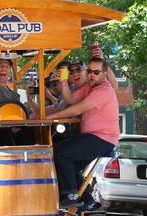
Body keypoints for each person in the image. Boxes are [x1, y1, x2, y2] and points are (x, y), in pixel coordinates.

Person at [46, 58, 120, 211]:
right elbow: (70, 99)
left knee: (63, 155)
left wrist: (50, 117)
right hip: (91, 136)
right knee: (56, 153)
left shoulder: (103, 90)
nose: (91, 74)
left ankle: (71, 196)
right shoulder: (90, 86)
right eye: (90, 71)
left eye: (96, 72)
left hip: (102, 138)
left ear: (104, 74)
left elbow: (77, 109)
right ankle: (88, 202)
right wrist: (64, 82)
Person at [0, 55, 36, 159]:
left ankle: (30, 162)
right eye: (0, 65)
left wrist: (16, 126)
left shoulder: (14, 96)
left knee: (28, 132)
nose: (4, 68)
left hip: (8, 132)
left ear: (9, 72)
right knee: (1, 149)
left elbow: (18, 117)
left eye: (7, 67)